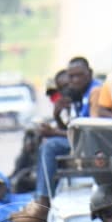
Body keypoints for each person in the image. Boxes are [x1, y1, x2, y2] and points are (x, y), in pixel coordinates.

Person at [36, 57, 103, 205]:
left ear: (90, 73)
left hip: (94, 143)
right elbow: (72, 129)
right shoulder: (80, 94)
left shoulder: (95, 91)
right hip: (84, 141)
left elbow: (91, 131)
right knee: (46, 143)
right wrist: (56, 116)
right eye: (72, 76)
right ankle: (42, 194)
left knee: (50, 146)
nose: (75, 80)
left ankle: (43, 200)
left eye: (79, 75)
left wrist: (54, 132)